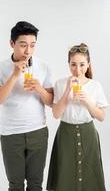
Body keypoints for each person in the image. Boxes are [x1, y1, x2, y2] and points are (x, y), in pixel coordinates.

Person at [0, 21, 53, 191]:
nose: (28, 51)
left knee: (35, 185)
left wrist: (39, 88)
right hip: (11, 135)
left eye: (32, 45)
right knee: (15, 185)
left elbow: (52, 102)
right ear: (12, 44)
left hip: (38, 132)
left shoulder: (43, 66)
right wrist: (14, 75)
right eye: (23, 45)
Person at [47, 43, 108, 191]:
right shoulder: (60, 84)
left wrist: (87, 101)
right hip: (65, 134)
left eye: (82, 64)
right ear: (68, 65)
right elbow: (56, 114)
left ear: (88, 65)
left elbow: (101, 117)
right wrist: (68, 91)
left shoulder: (95, 86)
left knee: (90, 177)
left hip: (88, 134)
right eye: (73, 64)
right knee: (64, 174)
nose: (77, 69)